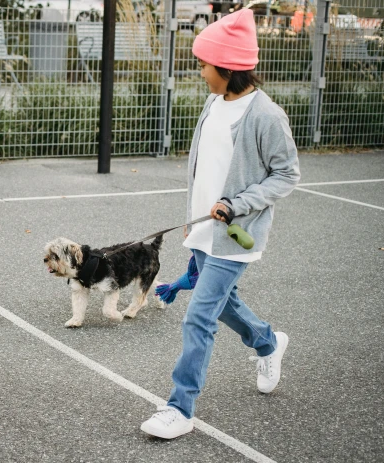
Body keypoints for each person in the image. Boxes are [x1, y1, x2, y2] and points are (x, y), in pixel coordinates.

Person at [140, 9, 300, 440]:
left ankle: (180, 407)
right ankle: (267, 342)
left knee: (199, 316)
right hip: (202, 230)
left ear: (228, 68)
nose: (200, 72)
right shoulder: (215, 102)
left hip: (235, 235)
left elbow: (287, 175)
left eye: (204, 65)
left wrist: (238, 203)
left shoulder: (267, 116)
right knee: (222, 303)